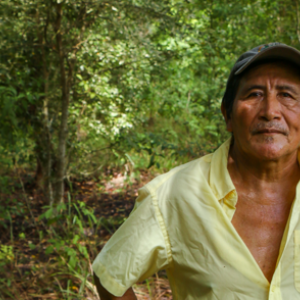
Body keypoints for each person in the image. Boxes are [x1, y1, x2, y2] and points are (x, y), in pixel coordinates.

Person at [92, 42, 300, 299]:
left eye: (287, 95)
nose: (270, 111)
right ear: (228, 116)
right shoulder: (175, 194)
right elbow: (110, 274)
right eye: (254, 94)